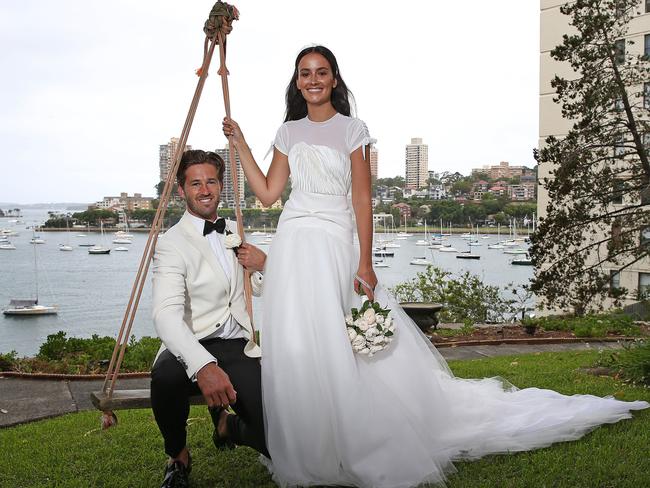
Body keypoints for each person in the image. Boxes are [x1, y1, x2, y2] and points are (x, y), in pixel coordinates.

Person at [222, 45, 649, 488]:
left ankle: (354, 438)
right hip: (294, 242)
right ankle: (310, 441)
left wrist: (365, 261)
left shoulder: (353, 130)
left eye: (322, 72)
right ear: (296, 82)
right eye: (305, 73)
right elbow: (270, 194)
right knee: (298, 342)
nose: (313, 80)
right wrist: (242, 145)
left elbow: (362, 199)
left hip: (334, 241)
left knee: (340, 341)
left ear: (334, 79)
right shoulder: (288, 132)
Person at [150, 149, 269, 488]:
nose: (205, 190)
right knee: (166, 378)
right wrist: (203, 366)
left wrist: (263, 266)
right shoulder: (171, 243)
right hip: (191, 339)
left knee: (273, 438)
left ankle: (225, 426)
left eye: (212, 182)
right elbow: (165, 315)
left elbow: (255, 289)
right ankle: (178, 455)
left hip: (235, 344)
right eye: (196, 183)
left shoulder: (235, 229)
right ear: (181, 190)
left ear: (221, 186)